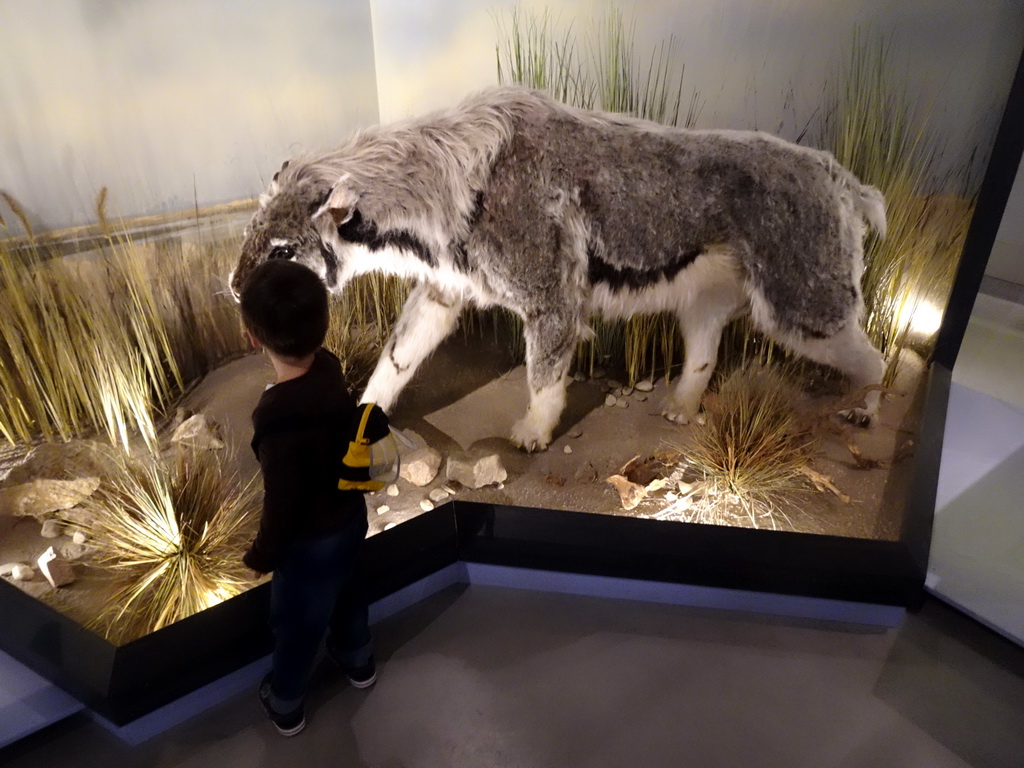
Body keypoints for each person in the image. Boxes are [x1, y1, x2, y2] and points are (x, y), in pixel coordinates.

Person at [239, 259, 375, 737]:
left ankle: (287, 702)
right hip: (349, 518)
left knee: (296, 621)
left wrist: (262, 554)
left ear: (253, 336)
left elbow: (283, 501)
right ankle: (359, 662)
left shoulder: (275, 414)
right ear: (324, 323)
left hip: (308, 542)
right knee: (349, 590)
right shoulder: (331, 367)